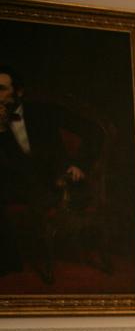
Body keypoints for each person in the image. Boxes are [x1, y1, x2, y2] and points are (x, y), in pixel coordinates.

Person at [0, 65, 105, 282]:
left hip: (56, 182)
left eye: (1, 89)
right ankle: (9, 263)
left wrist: (80, 164)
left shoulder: (44, 111)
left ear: (18, 92)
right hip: (17, 184)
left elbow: (95, 132)